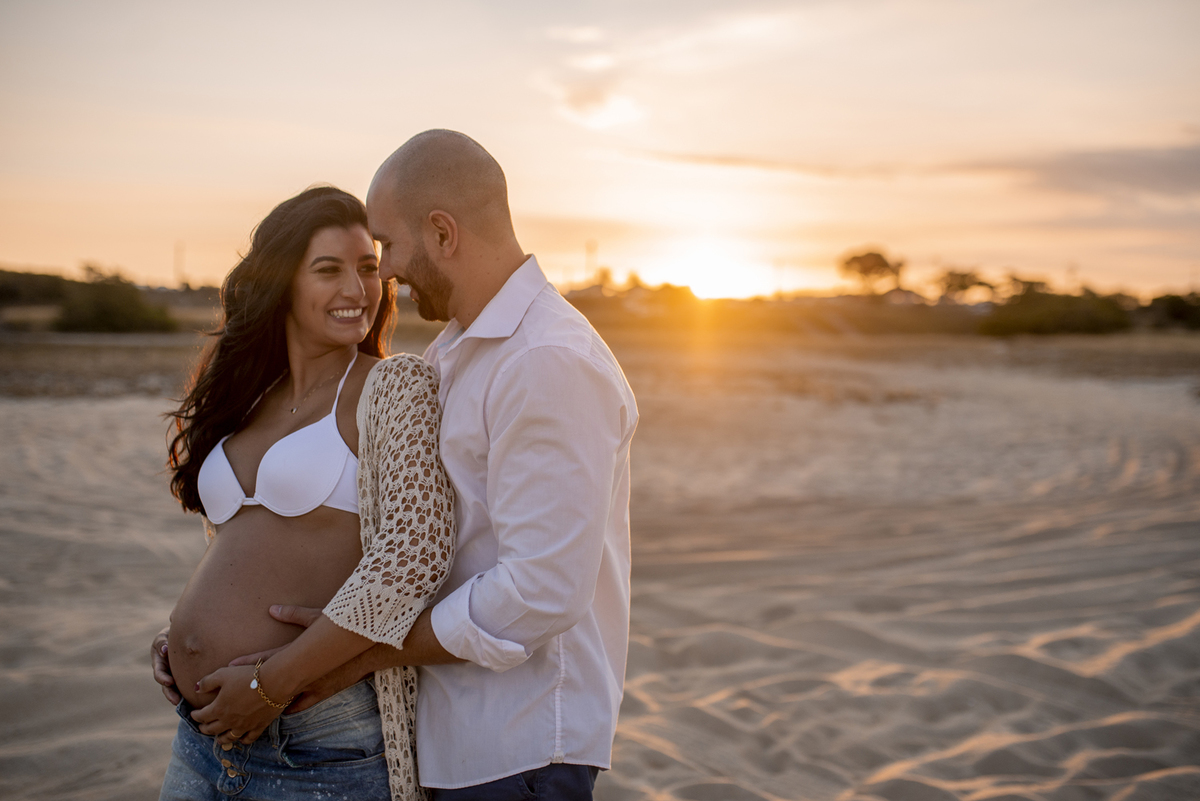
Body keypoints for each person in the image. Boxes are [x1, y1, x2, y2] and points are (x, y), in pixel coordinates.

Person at [248, 130, 639, 800]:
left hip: (521, 747)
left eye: (389, 246)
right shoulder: (457, 352)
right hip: (459, 740)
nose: (386, 271)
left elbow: (539, 589)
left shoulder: (546, 358)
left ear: (442, 232)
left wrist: (363, 653)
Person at [153, 185, 454, 801]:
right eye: (328, 270)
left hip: (316, 740)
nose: (357, 289)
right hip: (200, 734)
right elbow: (242, 546)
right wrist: (182, 640)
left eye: (369, 269)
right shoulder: (245, 392)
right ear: (281, 281)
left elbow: (413, 558)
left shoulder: (393, 385)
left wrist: (271, 685)